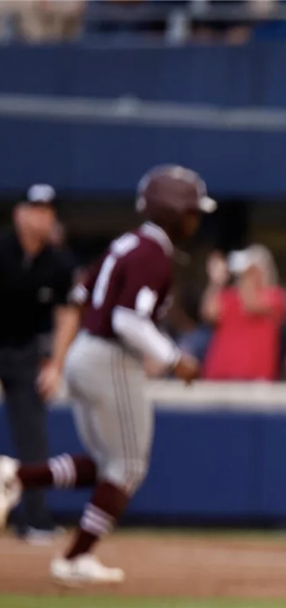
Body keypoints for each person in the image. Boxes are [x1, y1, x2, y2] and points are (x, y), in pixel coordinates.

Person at [0, 165, 210, 585]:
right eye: (191, 211)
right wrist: (174, 358)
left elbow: (81, 296)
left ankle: (14, 475)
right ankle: (75, 558)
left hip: (86, 352)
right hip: (111, 356)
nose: (196, 220)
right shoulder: (151, 251)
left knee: (107, 465)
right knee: (129, 466)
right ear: (172, 210)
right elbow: (127, 319)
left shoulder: (128, 244)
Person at [0, 184, 77, 543]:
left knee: (33, 437)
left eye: (48, 211)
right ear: (19, 213)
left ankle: (35, 520)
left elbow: (67, 315)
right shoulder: (1, 249)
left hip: (26, 353)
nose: (42, 217)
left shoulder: (59, 262)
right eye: (35, 209)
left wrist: (56, 364)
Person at [201, 245, 286, 382]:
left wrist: (248, 275)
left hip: (256, 378)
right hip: (220, 375)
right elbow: (208, 313)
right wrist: (216, 282)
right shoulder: (230, 295)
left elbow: (252, 305)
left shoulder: (276, 296)